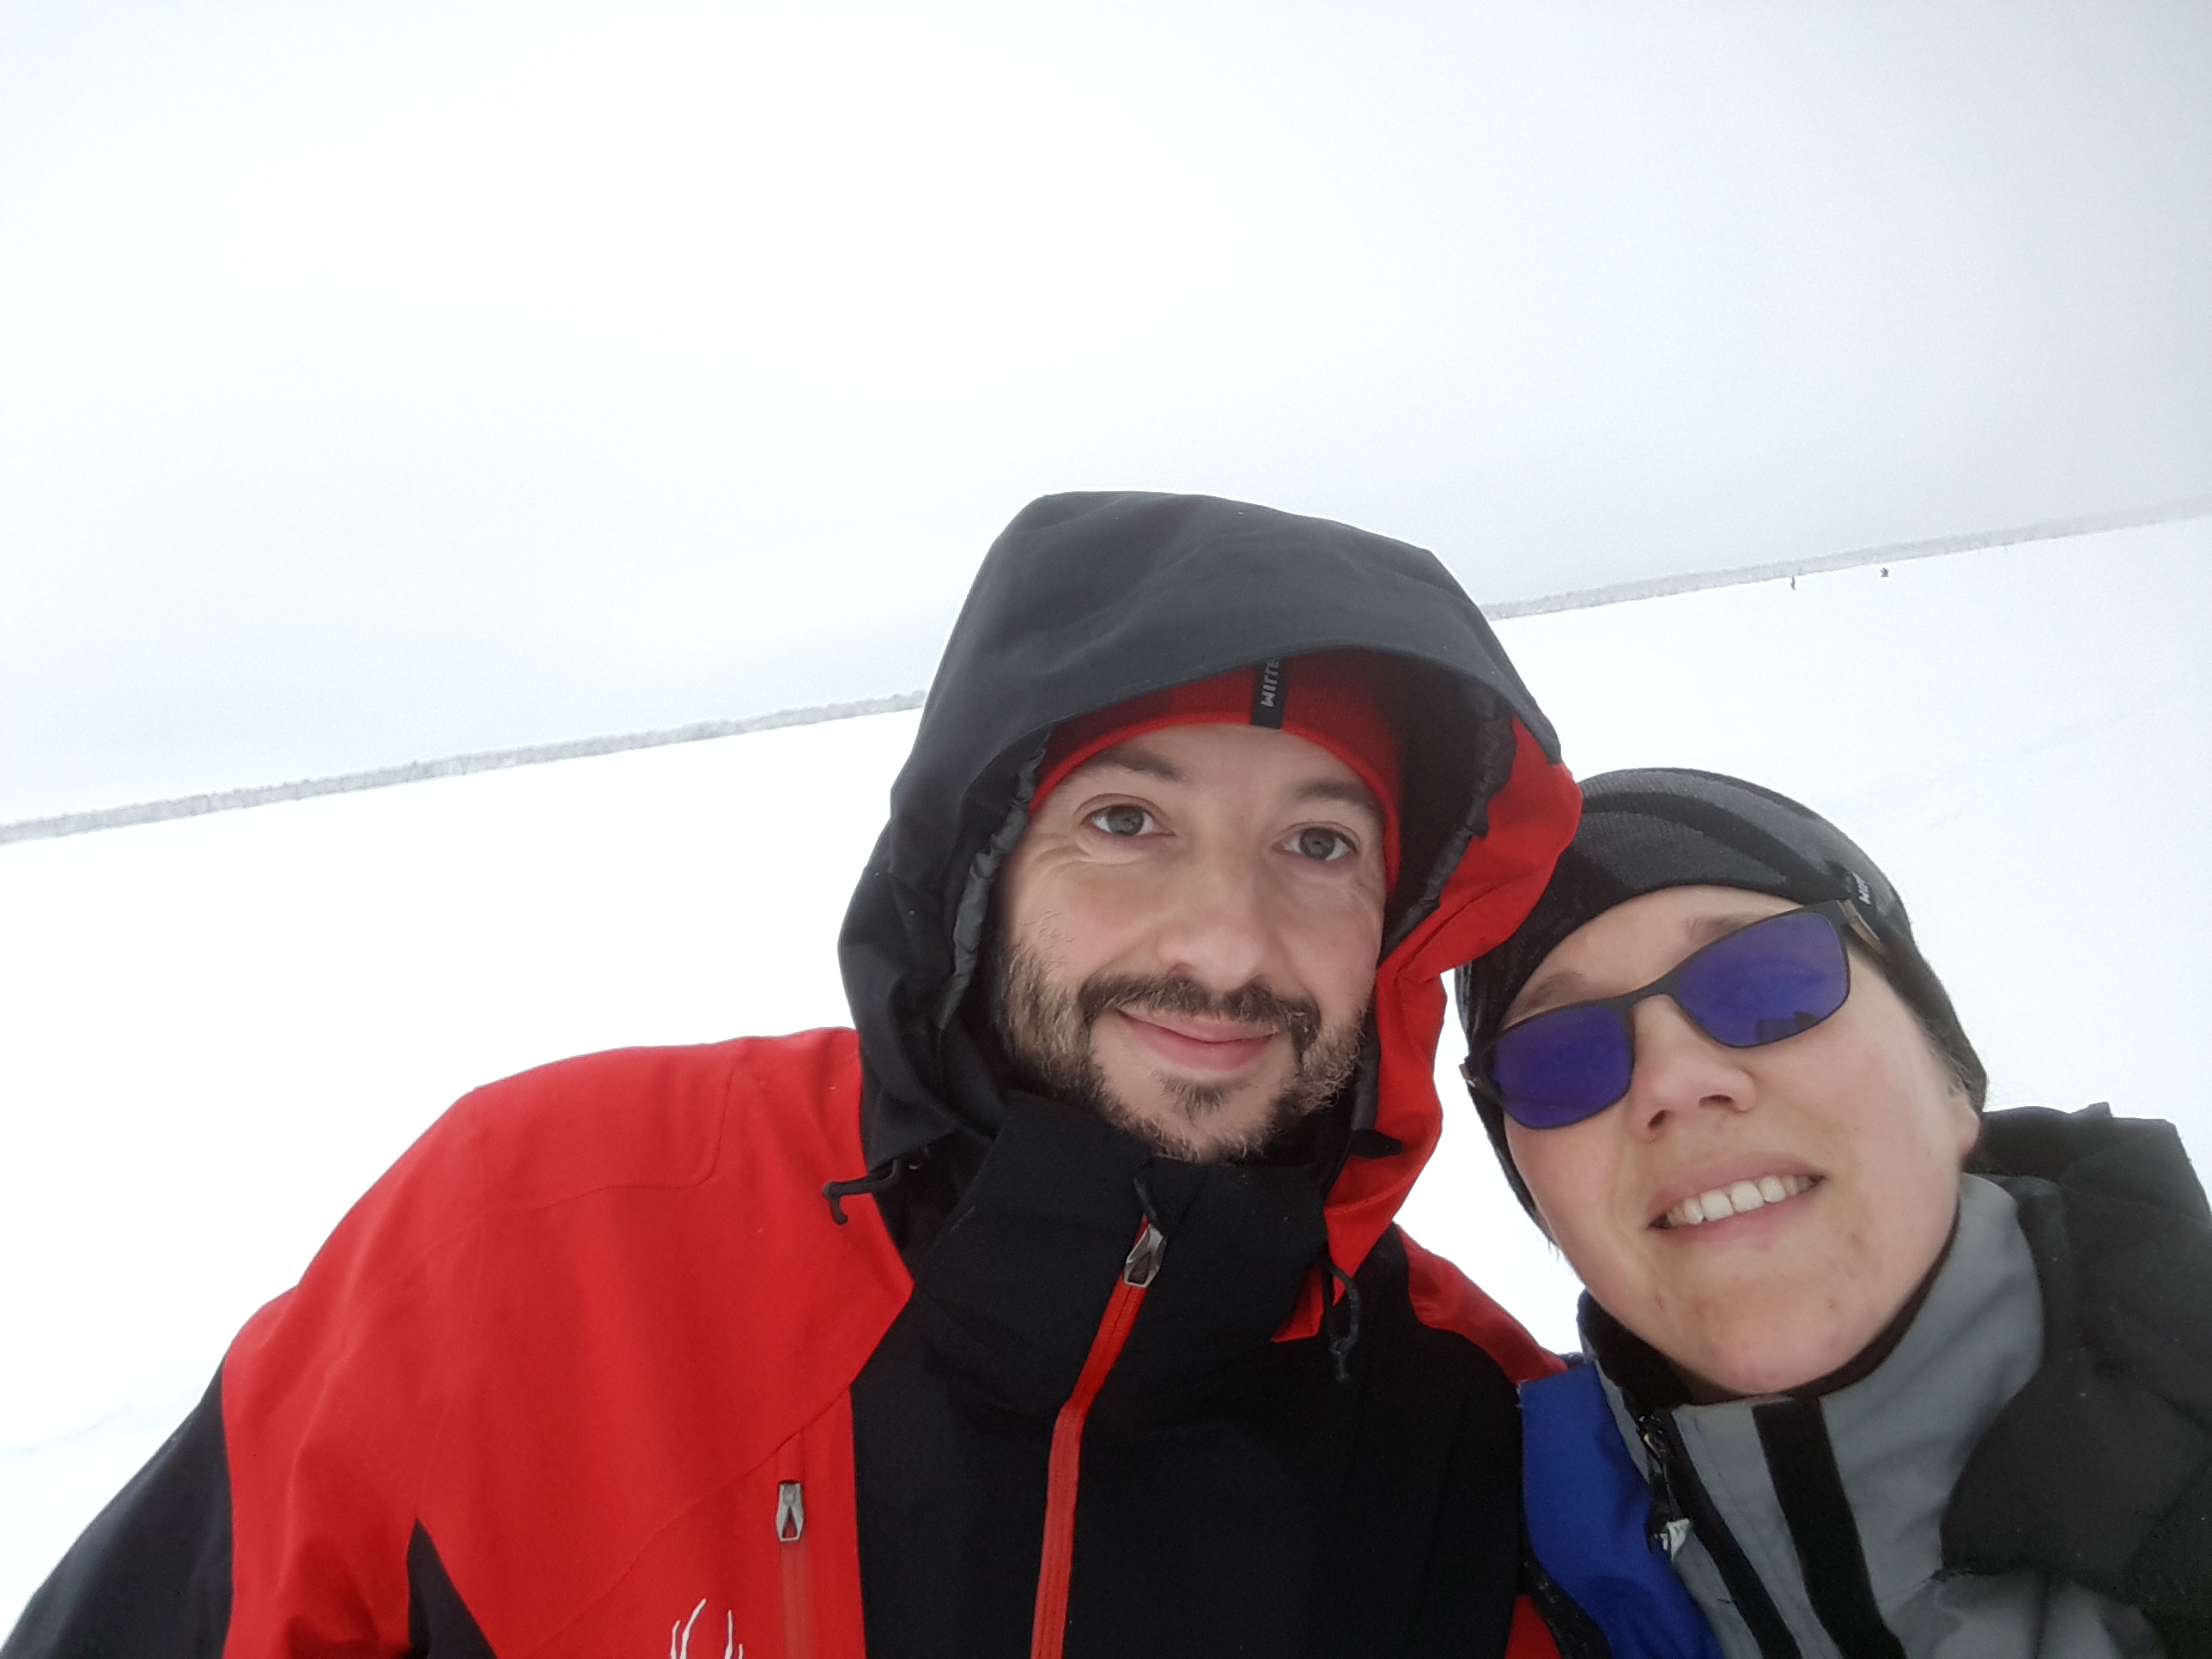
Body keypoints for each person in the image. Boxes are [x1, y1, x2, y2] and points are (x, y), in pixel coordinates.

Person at [6, 491, 1583, 1659]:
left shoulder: (1464, 1433)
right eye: (1126, 820)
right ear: (978, 867)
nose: (1228, 942)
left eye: (1320, 843)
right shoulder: (533, 1228)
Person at [1456, 768, 2212, 1659]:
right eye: (1560, 1057)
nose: (1673, 1080)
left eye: (1767, 984)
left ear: (1950, 1081)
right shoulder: (1456, 1562)